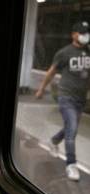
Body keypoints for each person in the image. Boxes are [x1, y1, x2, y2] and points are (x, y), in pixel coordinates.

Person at [35, 21, 90, 181]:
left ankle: (53, 141)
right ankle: (71, 165)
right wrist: (40, 89)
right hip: (66, 97)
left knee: (69, 127)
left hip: (81, 99)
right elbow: (51, 72)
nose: (85, 36)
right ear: (74, 34)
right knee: (72, 130)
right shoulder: (64, 53)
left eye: (87, 33)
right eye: (82, 32)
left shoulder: (88, 52)